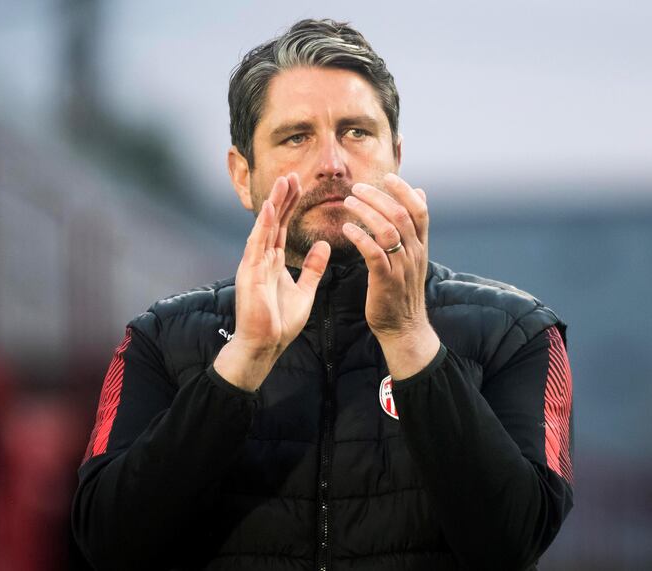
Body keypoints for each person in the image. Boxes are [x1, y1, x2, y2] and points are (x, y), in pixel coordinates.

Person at [72, 18, 574, 571]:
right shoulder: (159, 340)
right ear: (243, 176)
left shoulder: (517, 331)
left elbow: (514, 543)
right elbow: (109, 544)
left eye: (357, 132)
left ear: (396, 158)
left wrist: (409, 338)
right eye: (296, 136)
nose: (332, 163)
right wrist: (243, 361)